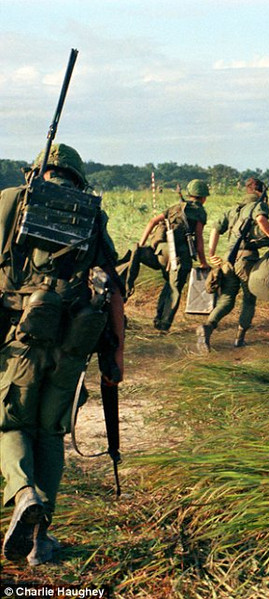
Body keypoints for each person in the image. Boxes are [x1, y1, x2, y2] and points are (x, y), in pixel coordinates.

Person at [0, 144, 125, 565]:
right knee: (50, 434)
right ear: (77, 176)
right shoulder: (92, 215)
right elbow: (113, 291)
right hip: (72, 346)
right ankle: (39, 541)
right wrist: (117, 357)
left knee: (10, 423)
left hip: (22, 341)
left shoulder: (14, 201)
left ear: (40, 170)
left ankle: (22, 492)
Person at [197, 177, 269, 352]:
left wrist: (211, 253)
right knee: (249, 299)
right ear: (260, 191)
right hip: (247, 259)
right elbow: (262, 220)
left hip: (228, 261)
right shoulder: (258, 206)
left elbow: (215, 228)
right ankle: (239, 339)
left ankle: (208, 327)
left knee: (226, 299)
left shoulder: (233, 209)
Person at [126, 179, 209, 330]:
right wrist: (203, 262)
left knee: (168, 286)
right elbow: (199, 240)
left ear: (190, 194)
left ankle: (158, 319)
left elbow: (152, 222)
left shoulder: (175, 208)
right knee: (174, 290)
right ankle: (163, 326)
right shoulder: (200, 212)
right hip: (178, 256)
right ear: (203, 197)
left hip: (160, 252)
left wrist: (141, 244)